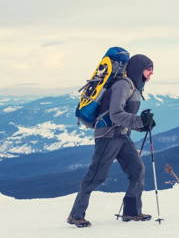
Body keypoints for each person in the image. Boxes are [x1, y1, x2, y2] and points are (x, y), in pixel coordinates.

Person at [67, 54, 156, 227]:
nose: (151, 74)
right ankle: (76, 215)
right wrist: (139, 121)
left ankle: (131, 213)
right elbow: (115, 115)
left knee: (137, 169)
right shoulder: (123, 85)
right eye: (148, 70)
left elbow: (125, 117)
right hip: (107, 135)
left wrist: (144, 125)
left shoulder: (134, 87)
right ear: (139, 69)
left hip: (121, 135)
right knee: (95, 177)